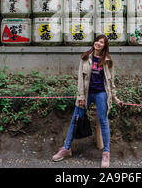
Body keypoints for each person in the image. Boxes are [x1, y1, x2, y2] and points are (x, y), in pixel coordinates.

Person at [52, 34, 122, 168]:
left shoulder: (108, 61)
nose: (98, 43)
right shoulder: (85, 58)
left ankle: (106, 153)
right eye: (97, 41)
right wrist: (81, 97)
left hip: (101, 94)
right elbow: (80, 79)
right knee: (76, 118)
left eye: (101, 42)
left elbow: (111, 82)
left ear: (105, 46)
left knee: (103, 121)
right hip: (86, 93)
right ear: (94, 42)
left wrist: (115, 98)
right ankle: (66, 149)